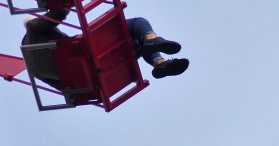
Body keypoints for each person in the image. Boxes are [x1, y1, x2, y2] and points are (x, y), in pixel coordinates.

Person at [22, 9, 189, 91]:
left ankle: (160, 62)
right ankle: (153, 41)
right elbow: (53, 18)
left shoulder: (34, 71)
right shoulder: (33, 29)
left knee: (136, 45)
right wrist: (61, 7)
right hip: (86, 48)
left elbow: (65, 89)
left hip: (94, 75)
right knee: (138, 23)